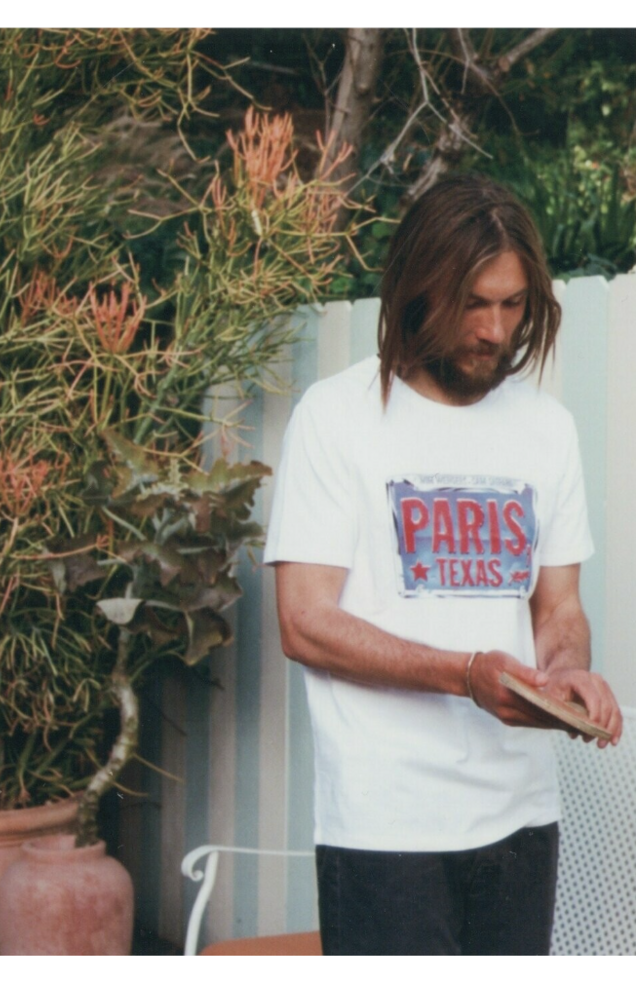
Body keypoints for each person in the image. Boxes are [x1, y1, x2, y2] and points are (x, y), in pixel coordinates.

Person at [264, 173, 623, 956]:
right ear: (418, 290)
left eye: (513, 304)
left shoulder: (546, 428)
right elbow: (305, 623)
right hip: (386, 824)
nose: (495, 330)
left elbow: (559, 608)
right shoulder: (337, 418)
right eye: (473, 304)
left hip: (522, 815)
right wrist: (464, 674)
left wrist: (566, 673)